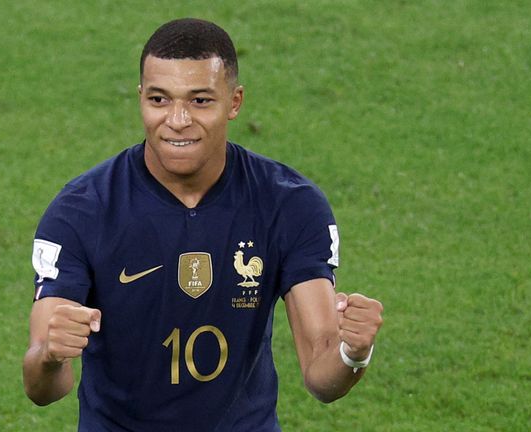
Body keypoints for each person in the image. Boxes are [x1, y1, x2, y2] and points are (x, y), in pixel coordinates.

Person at [22, 18, 383, 431]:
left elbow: (322, 374)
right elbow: (42, 388)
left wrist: (353, 352)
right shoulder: (81, 211)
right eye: (159, 99)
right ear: (140, 98)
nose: (177, 120)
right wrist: (50, 356)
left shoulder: (289, 204)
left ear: (234, 102)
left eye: (200, 101)